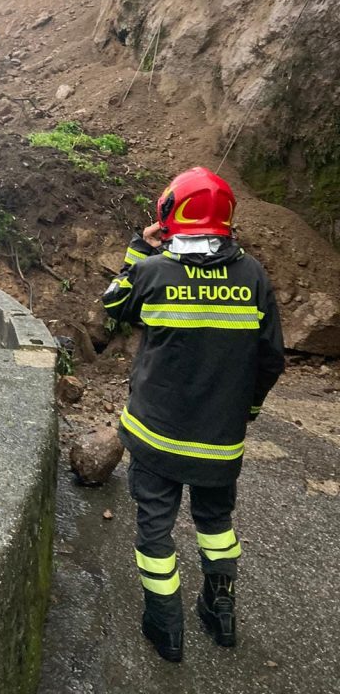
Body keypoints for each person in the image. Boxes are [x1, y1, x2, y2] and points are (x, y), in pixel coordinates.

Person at [102, 166, 284, 663]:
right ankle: (220, 614)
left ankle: (166, 628)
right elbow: (271, 358)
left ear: (171, 212)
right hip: (219, 440)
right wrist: (245, 408)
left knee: (155, 528)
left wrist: (140, 248)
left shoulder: (154, 271)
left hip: (154, 436)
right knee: (216, 522)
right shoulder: (252, 275)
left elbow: (113, 306)